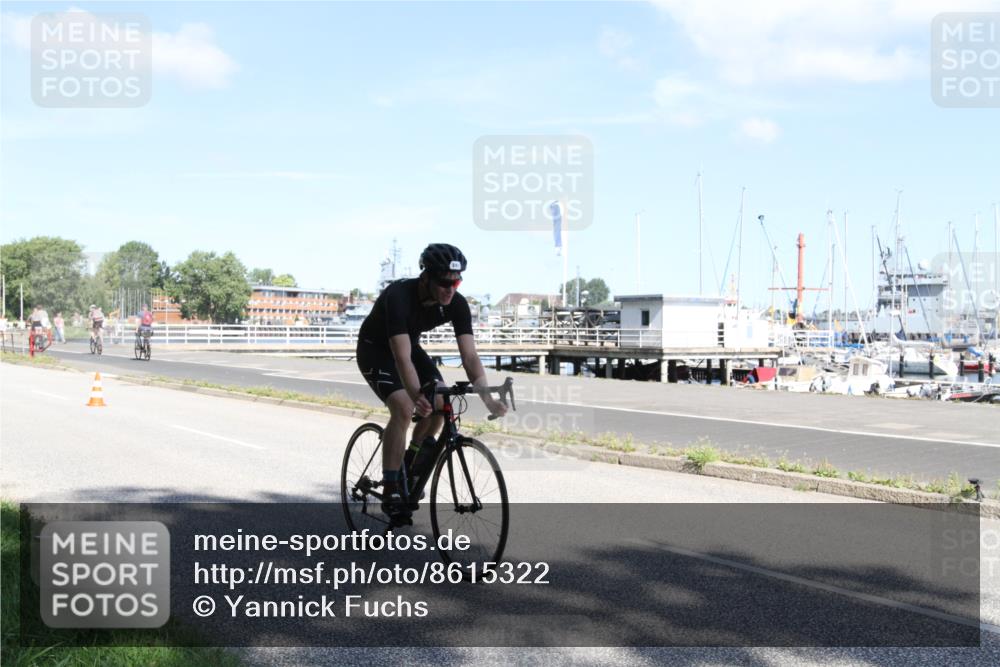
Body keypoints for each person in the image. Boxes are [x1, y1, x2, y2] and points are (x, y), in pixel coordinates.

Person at [356, 243, 507, 520]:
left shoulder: (457, 303)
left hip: (409, 348)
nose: (451, 289)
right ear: (425, 277)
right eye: (444, 283)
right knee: (403, 407)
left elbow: (470, 356)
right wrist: (415, 395)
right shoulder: (399, 296)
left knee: (440, 403)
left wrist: (488, 399)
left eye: (456, 282)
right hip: (376, 350)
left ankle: (411, 463)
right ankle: (391, 487)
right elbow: (401, 358)